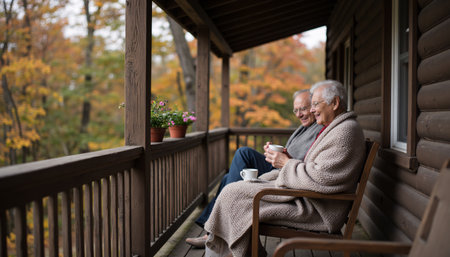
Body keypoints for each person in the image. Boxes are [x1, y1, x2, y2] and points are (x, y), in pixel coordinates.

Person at [203, 80, 366, 257]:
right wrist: (286, 160)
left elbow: (322, 178)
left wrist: (286, 163)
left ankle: (227, 250)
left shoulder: (345, 132)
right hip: (307, 197)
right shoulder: (338, 128)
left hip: (316, 208)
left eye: (315, 104)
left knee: (234, 195)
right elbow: (318, 170)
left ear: (334, 103)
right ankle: (242, 249)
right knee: (234, 189)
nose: (311, 110)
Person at [185, 89, 323, 248]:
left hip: (288, 176)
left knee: (243, 153)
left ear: (313, 107)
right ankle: (211, 231)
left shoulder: (319, 129)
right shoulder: (304, 128)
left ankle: (212, 233)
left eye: (303, 109)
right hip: (281, 169)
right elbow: (294, 153)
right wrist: (276, 153)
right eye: (296, 110)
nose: (299, 114)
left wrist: (284, 159)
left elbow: (305, 162)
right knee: (226, 178)